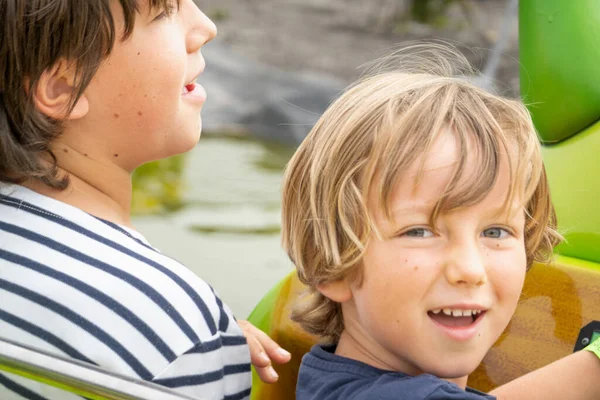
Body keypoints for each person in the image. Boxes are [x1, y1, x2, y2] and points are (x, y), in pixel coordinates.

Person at [0, 1, 289, 399]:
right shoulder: (172, 328)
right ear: (65, 87)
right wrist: (192, 340)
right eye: (164, 13)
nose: (205, 27)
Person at [281, 44, 600, 399]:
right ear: (332, 264)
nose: (469, 269)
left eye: (496, 231)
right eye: (419, 231)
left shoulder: (334, 378)